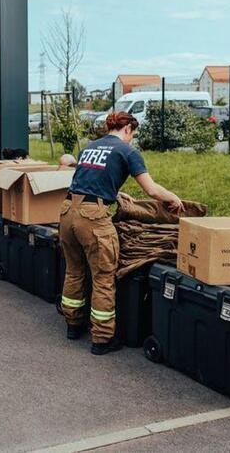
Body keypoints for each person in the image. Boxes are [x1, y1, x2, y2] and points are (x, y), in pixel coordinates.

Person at [59, 111, 183, 355]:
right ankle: (102, 339)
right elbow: (151, 190)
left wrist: (115, 194)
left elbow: (86, 180)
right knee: (104, 277)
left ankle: (73, 325)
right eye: (133, 134)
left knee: (74, 271)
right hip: (92, 219)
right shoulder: (127, 151)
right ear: (127, 129)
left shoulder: (89, 147)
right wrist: (173, 198)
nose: (132, 139)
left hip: (66, 212)